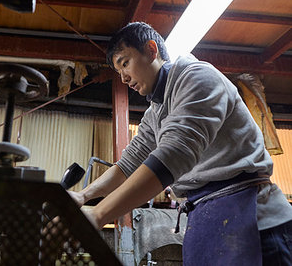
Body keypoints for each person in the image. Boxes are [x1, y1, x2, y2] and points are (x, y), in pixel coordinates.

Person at [69, 22, 292, 265]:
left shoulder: (198, 77)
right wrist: (83, 196)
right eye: (118, 70)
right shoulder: (156, 112)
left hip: (253, 219)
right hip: (205, 216)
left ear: (151, 50)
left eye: (125, 63)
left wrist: (100, 214)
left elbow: (173, 156)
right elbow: (127, 165)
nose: (123, 77)